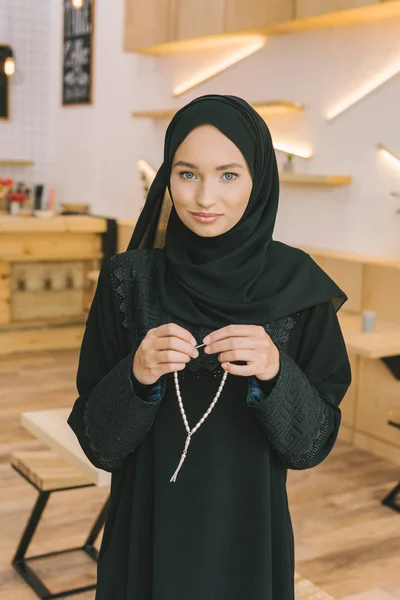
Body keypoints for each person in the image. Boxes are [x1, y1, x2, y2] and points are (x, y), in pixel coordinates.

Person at [67, 94, 351, 600]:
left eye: (228, 175)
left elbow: (312, 444)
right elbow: (98, 444)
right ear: (167, 178)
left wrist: (274, 372)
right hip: (145, 529)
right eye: (187, 173)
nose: (204, 198)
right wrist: (136, 375)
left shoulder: (299, 287)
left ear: (258, 179)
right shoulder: (127, 282)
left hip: (248, 536)